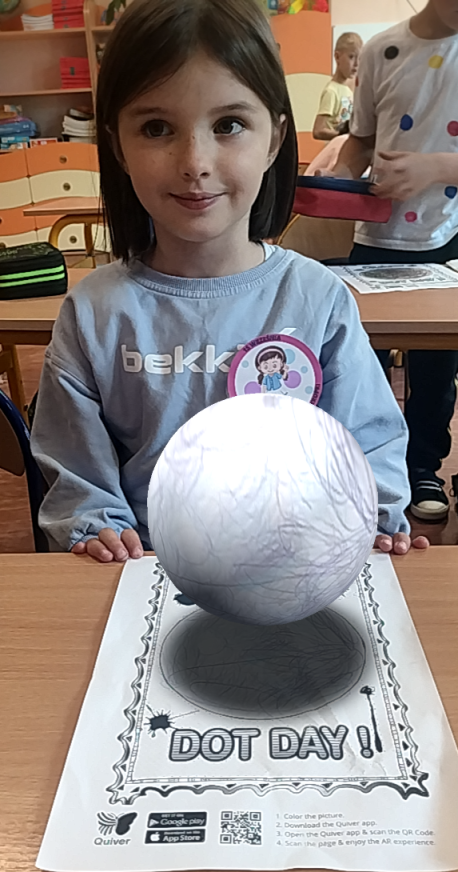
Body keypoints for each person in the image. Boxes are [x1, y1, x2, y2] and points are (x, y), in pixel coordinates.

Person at [30, 0, 427, 562]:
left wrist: (376, 519)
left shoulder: (319, 301)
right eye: (156, 127)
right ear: (117, 145)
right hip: (144, 570)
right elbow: (78, 476)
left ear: (274, 139)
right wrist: (97, 529)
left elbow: (367, 443)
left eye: (229, 125)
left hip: (299, 567)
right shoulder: (94, 313)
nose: (195, 161)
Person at [332, 0, 458, 522]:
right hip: (376, 234)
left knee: (436, 367)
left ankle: (423, 466)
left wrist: (436, 167)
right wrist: (339, 178)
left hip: (448, 237)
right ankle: (362, 470)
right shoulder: (382, 49)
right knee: (361, 366)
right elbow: (360, 140)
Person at [313, 32, 362, 142]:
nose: (356, 64)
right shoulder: (331, 91)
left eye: (359, 58)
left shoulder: (348, 91)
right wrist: (341, 135)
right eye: (351, 57)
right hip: (335, 149)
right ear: (337, 57)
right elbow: (318, 131)